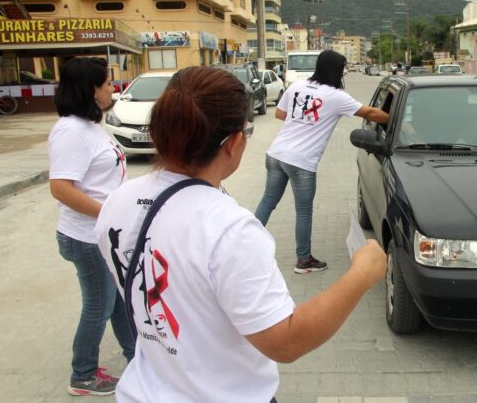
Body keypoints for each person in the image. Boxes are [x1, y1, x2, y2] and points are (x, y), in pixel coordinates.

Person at [94, 66, 388, 402]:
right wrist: (361, 274)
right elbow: (286, 341)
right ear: (233, 143)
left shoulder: (117, 202)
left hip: (145, 392)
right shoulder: (228, 229)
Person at [254, 50, 389, 273]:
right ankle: (304, 260)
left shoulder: (297, 86)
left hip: (276, 154)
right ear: (337, 71)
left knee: (267, 202)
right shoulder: (336, 96)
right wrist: (398, 118)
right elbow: (372, 114)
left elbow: (279, 113)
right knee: (303, 211)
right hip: (301, 162)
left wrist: (303, 119)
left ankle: (242, 247)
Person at [48, 57, 135, 397]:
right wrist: (109, 213)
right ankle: (82, 374)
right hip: (84, 237)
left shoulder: (88, 126)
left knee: (115, 302)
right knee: (99, 306)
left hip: (99, 235)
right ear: (90, 89)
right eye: (107, 83)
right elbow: (61, 188)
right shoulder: (71, 131)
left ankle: (138, 356)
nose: (112, 87)